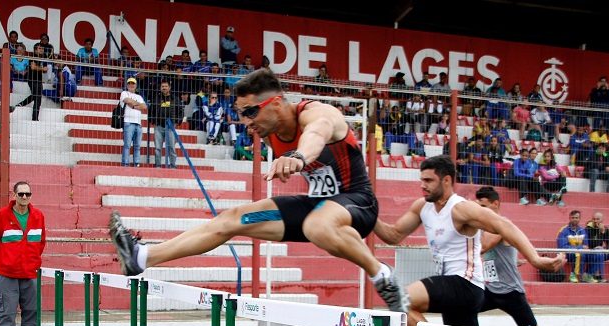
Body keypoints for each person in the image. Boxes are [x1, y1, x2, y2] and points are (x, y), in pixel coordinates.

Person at [108, 68, 408, 313]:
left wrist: (297, 157)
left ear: (276, 103)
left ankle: (381, 275)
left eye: (251, 112)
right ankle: (143, 257)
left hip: (356, 204)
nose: (245, 122)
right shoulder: (270, 133)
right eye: (240, 113)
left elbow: (315, 137)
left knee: (318, 224)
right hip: (320, 207)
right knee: (234, 218)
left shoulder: (318, 114)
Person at [373, 155, 562, 326]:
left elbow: (504, 225)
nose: (422, 185)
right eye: (421, 179)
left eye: (429, 180)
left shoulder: (461, 209)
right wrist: (367, 214)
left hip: (466, 284)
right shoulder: (422, 207)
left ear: (446, 181)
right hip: (455, 293)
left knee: (401, 298)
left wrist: (534, 258)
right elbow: (393, 235)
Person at [476, 186, 565, 326]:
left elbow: (482, 247)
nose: (480, 211)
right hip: (490, 290)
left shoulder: (502, 225)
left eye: (483, 206)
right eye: (478, 207)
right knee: (462, 309)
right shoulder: (485, 227)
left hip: (511, 292)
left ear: (496, 204)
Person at [0, 181, 46, 326]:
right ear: (14, 195)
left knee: (32, 312)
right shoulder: (2, 215)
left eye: (27, 194)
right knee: (6, 313)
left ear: (31, 196)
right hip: (7, 275)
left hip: (30, 274)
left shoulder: (38, 216)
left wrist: (31, 261)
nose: (24, 197)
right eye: (20, 194)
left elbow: (41, 243)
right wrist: (6, 261)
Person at [557, 210, 600, 283]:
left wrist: (584, 248)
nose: (575, 219)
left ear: (579, 219)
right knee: (579, 254)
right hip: (567, 254)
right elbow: (562, 247)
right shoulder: (563, 230)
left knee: (597, 254)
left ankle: (587, 275)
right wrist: (579, 248)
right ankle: (573, 275)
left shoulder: (582, 230)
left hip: (581, 253)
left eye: (576, 217)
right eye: (573, 217)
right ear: (569, 218)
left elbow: (586, 245)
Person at [148, 80, 183, 168]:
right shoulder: (156, 99)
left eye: (166, 86)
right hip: (159, 126)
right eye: (162, 86)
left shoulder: (175, 99)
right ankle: (158, 165)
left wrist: (177, 122)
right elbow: (151, 111)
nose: (164, 88)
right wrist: (153, 122)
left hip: (170, 127)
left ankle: (173, 165)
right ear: (160, 88)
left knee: (171, 147)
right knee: (158, 148)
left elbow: (181, 112)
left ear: (169, 88)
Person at [585, 212, 609, 283]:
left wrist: (606, 248)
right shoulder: (588, 229)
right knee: (599, 252)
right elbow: (591, 244)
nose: (595, 221)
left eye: (597, 219)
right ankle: (599, 276)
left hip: (600, 251)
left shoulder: (605, 228)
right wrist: (601, 233)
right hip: (590, 253)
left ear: (602, 220)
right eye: (594, 219)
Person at [13, 44, 47, 121]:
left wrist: (42, 69)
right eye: (40, 48)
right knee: (37, 98)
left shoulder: (42, 58)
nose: (42, 50)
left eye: (42, 48)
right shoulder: (33, 56)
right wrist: (42, 69)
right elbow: (33, 67)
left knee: (36, 96)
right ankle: (34, 118)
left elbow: (44, 70)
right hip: (32, 79)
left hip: (39, 80)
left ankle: (20, 104)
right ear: (35, 50)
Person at [119, 77, 147, 167]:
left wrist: (133, 105)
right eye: (129, 83)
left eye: (133, 83)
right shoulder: (124, 93)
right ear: (127, 85)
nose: (131, 85)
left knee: (137, 145)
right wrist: (138, 104)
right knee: (127, 144)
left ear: (136, 85)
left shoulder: (139, 96)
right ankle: (125, 163)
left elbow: (145, 106)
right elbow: (127, 100)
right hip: (128, 122)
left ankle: (136, 163)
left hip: (138, 123)